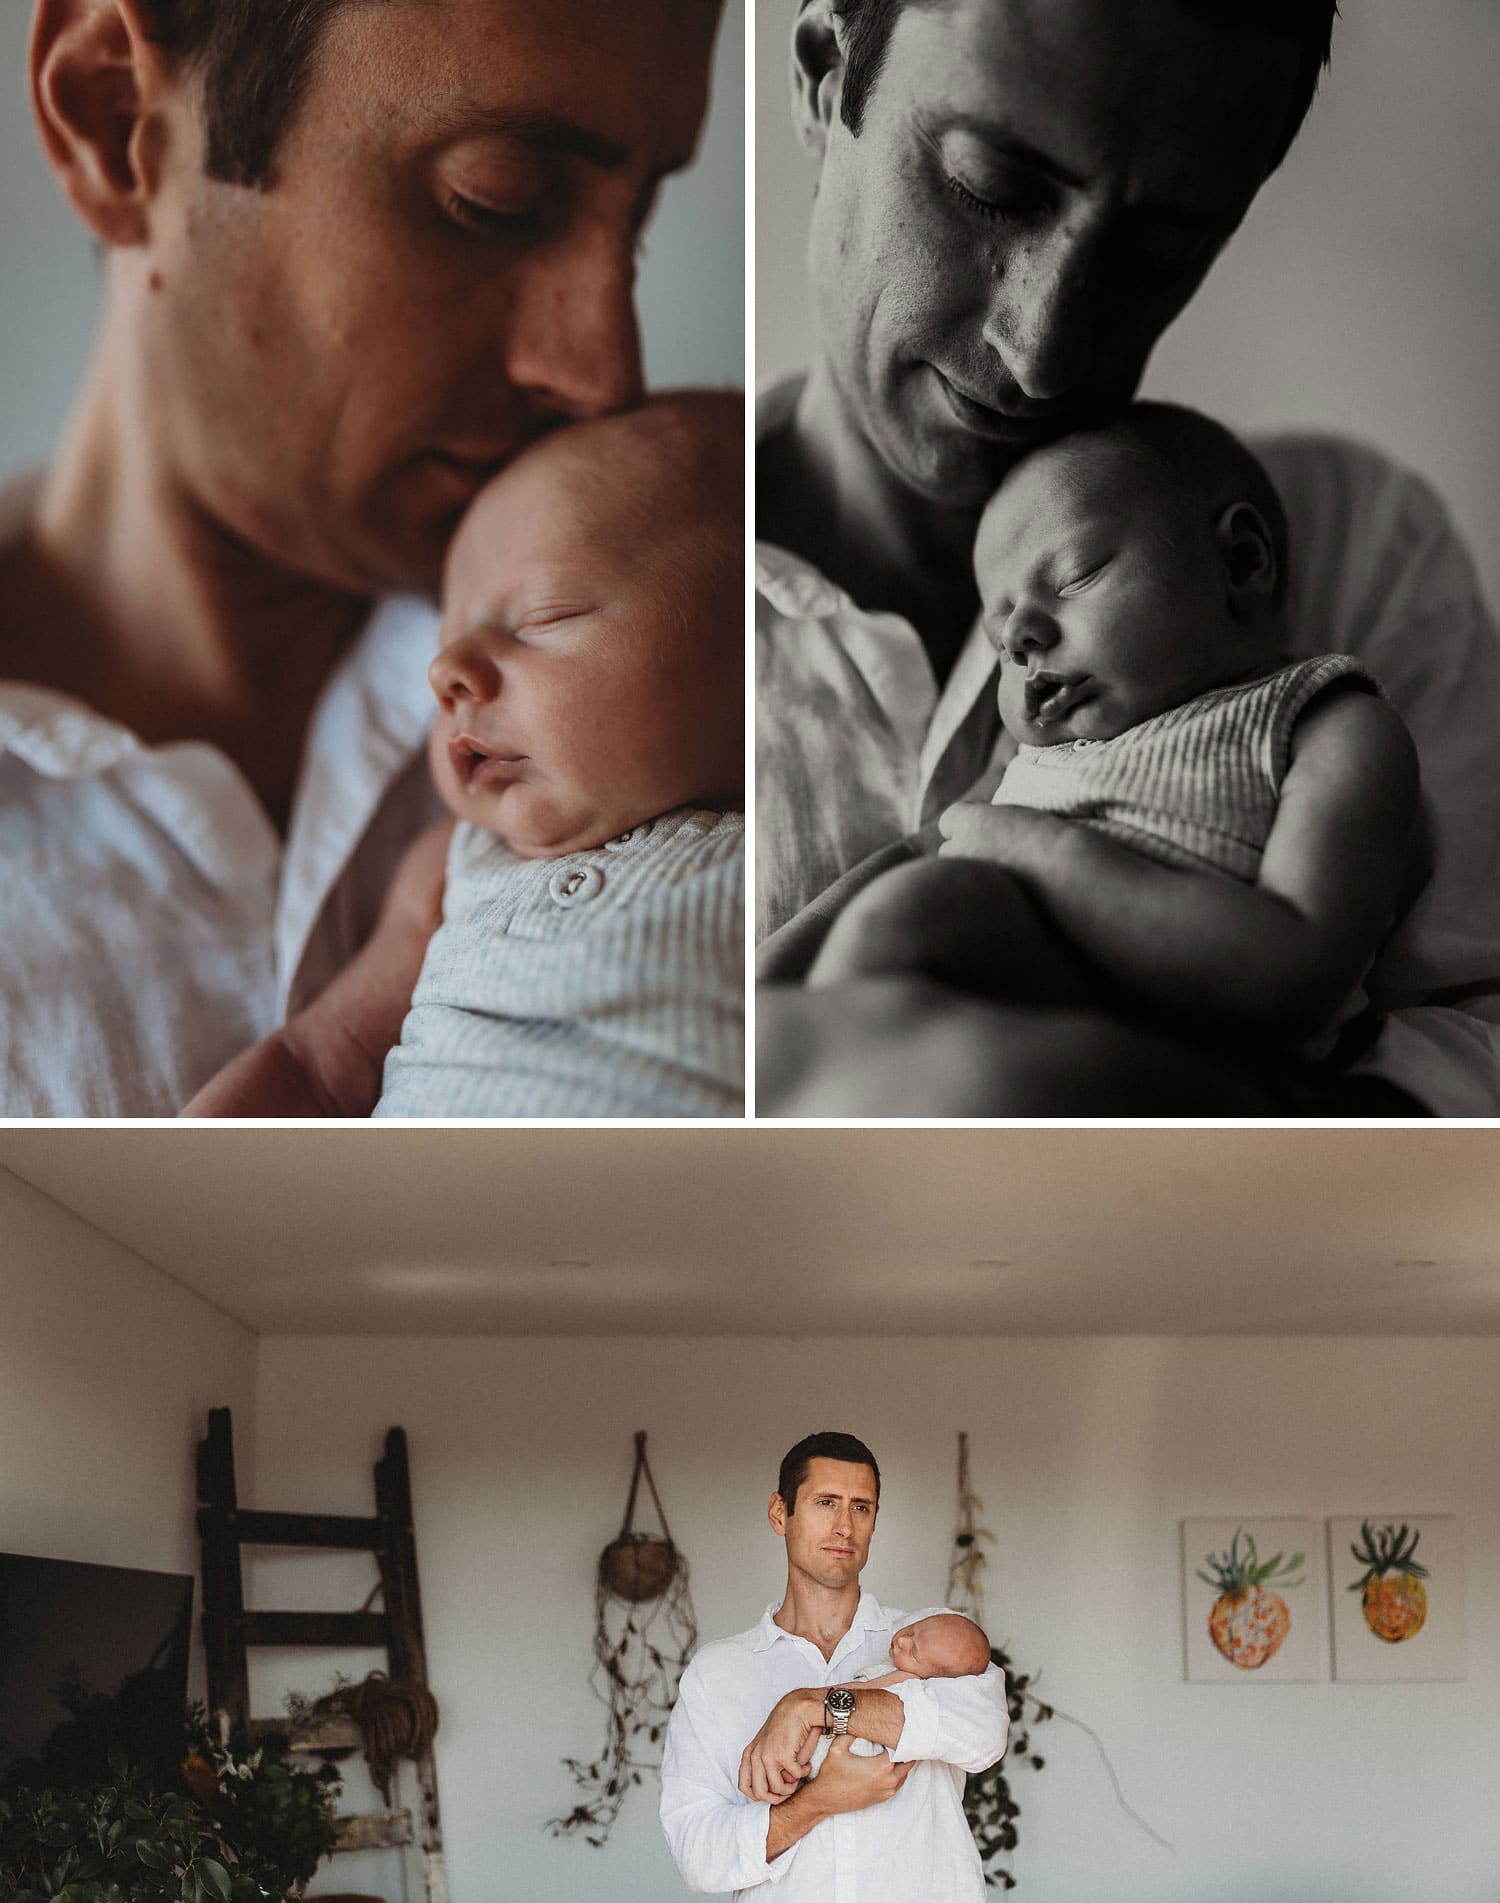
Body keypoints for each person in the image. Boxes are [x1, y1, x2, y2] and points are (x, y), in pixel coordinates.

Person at [756, 0, 1500, 1116]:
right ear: (825, 80)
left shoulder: (1355, 548)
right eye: (992, 187)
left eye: (1161, 252)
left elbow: (1475, 1047)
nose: (1046, 351)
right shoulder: (580, 589)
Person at [0, 0, 725, 1116]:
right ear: (114, 116)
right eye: (497, 200)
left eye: (638, 224)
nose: (601, 370)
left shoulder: (681, 663)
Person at [802, 405, 1420, 1082]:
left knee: (927, 919)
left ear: (1241, 563)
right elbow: (920, 851)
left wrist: (1047, 850)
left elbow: (1297, 969)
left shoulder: (1329, 725)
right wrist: (773, 970)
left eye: (1073, 577)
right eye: (999, 631)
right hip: (970, 1046)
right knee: (899, 917)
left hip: (1207, 1070)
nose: (1019, 640)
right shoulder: (1026, 760)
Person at [184, 394, 745, 1117]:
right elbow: (319, 1064)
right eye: (447, 636)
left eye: (544, 614)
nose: (447, 670)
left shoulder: (787, 847)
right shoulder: (445, 871)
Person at [660, 1431, 1009, 1903]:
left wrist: (812, 1704)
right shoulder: (719, 1675)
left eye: (862, 1506)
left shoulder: (933, 1642)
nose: (844, 1525)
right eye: (824, 1502)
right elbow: (701, 1853)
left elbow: (979, 1735)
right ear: (779, 1513)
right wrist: (818, 1802)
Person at [805, 1609, 991, 1776]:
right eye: (912, 1630)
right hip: (853, 1740)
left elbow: (861, 1691)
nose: (902, 1640)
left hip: (855, 1748)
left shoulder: (905, 1679)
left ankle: (799, 1767)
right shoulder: (906, 1668)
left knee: (815, 1725)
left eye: (913, 1653)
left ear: (931, 1675)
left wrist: (818, 1699)